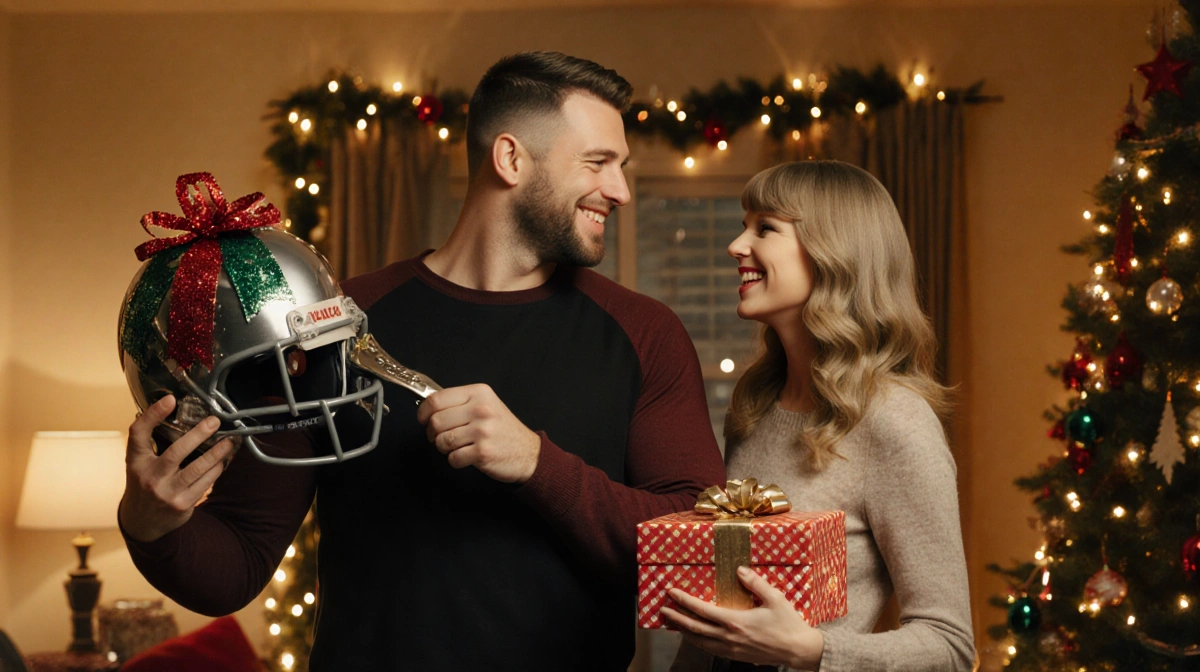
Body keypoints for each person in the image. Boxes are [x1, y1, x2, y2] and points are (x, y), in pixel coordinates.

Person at [117, 51, 726, 672]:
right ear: (511, 158)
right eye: (599, 163)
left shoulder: (645, 333)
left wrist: (537, 464)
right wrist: (151, 523)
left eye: (621, 167)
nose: (621, 190)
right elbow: (236, 565)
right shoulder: (336, 320)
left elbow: (702, 547)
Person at [663, 161, 975, 671]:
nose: (737, 246)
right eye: (745, 225)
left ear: (834, 252)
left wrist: (812, 651)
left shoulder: (893, 420)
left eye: (765, 227)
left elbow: (951, 647)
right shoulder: (754, 402)